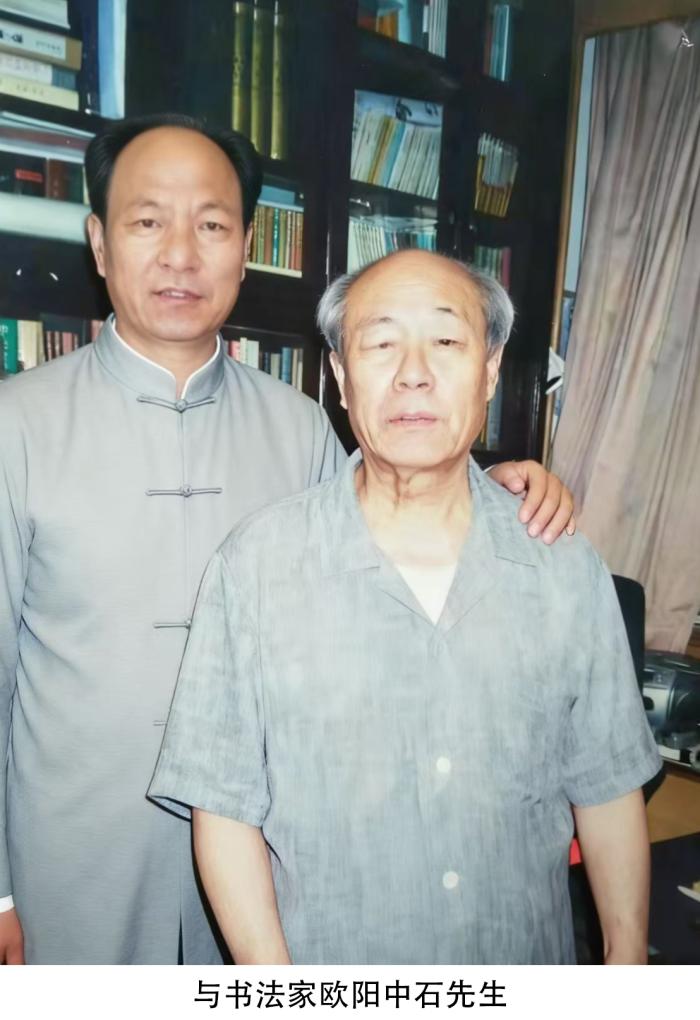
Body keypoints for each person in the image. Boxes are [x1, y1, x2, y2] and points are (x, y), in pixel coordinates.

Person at [0, 114, 574, 966]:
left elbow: (391, 544)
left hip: (269, 855)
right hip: (74, 861)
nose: (181, 254)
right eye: (148, 221)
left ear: (246, 247)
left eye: (212, 225)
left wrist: (496, 488)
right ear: (99, 242)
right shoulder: (15, 425)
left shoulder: (301, 426)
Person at [150, 250, 661, 965]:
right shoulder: (256, 567)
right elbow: (223, 809)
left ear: (490, 370)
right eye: (382, 343)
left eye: (446, 340)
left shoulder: (564, 566)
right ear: (341, 377)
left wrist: (627, 962)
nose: (414, 373)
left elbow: (607, 786)